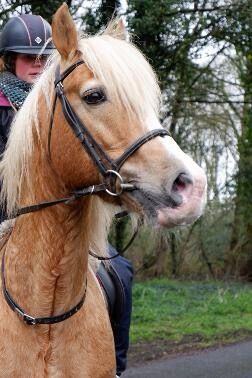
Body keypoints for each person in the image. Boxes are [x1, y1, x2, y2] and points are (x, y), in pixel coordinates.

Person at [0, 14, 133, 377]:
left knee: (120, 272)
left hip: (63, 228)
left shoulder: (65, 105)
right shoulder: (1, 107)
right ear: (10, 61)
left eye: (44, 58)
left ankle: (116, 367)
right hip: (5, 221)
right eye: (28, 58)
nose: (37, 65)